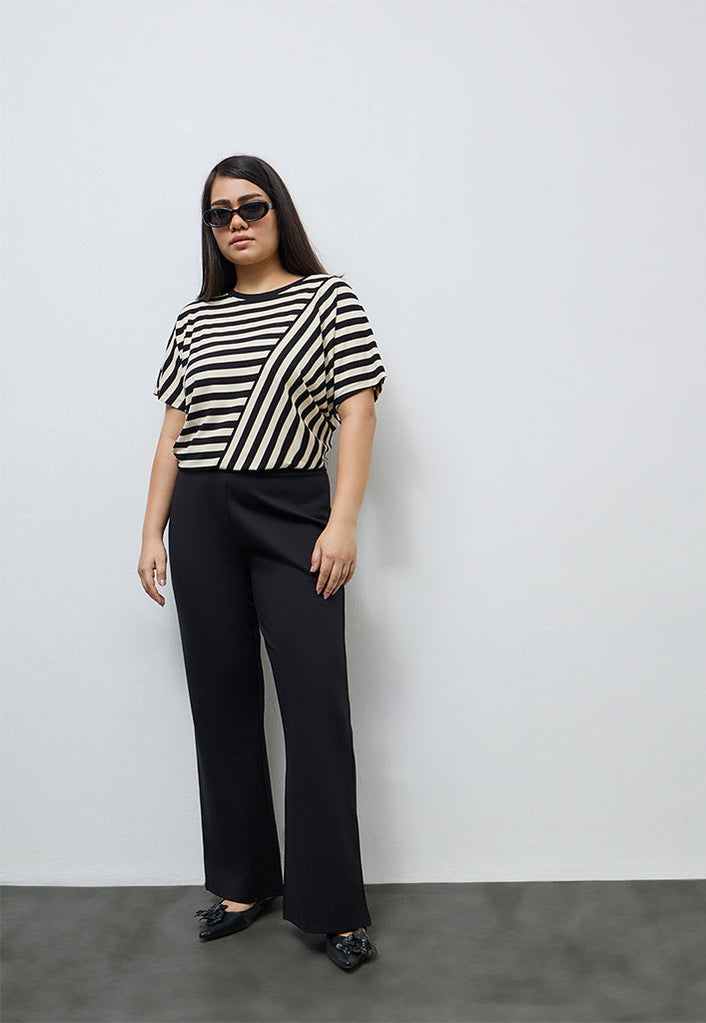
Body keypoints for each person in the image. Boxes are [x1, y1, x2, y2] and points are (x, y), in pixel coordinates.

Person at [137, 154, 386, 972]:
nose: (236, 222)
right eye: (219, 213)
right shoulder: (195, 319)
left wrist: (341, 522)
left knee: (315, 705)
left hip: (292, 513)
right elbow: (173, 433)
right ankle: (243, 882)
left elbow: (356, 410)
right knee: (222, 701)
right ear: (208, 229)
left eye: (251, 206)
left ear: (278, 210)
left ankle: (333, 903)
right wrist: (151, 532)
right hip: (201, 516)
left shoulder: (327, 299)